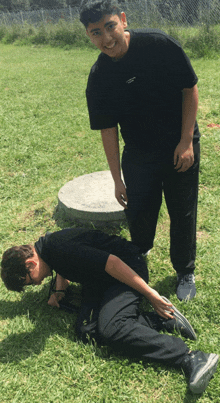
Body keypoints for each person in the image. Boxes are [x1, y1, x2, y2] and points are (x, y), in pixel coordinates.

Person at [1, 227, 218, 394]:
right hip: (100, 278)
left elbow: (113, 263)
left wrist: (151, 295)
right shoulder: (47, 249)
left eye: (29, 282)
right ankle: (161, 321)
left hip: (127, 269)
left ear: (30, 264)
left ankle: (191, 357)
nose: (35, 286)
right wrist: (59, 289)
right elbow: (65, 265)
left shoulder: (59, 248)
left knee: (112, 328)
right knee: (86, 330)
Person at [79, 0, 200, 301]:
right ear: (88, 36)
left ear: (122, 19)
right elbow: (108, 131)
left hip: (178, 144)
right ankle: (139, 254)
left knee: (181, 210)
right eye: (96, 33)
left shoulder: (159, 45)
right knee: (139, 210)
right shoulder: (99, 77)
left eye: (110, 27)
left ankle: (185, 269)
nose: (106, 39)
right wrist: (117, 179)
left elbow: (190, 89)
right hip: (139, 152)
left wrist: (186, 142)